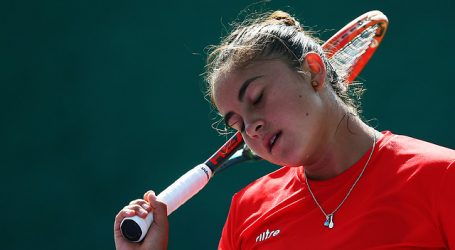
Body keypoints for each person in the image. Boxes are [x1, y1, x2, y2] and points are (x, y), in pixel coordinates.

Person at [114, 10, 455, 249]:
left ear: (314, 70)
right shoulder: (247, 212)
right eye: (237, 123)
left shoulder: (443, 178)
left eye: (257, 97)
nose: (252, 126)